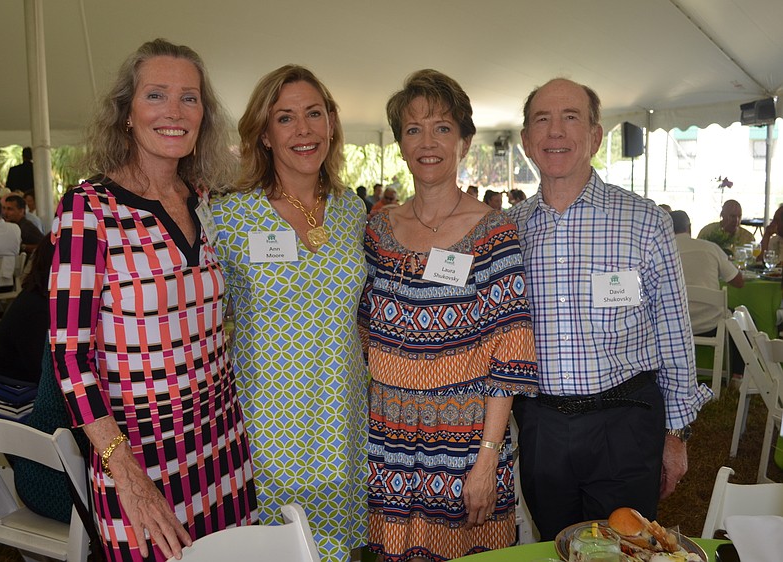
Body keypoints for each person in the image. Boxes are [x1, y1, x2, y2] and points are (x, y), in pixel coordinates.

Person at [49, 38, 257, 561]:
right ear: (126, 113)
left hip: (219, 440)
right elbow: (69, 358)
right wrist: (125, 472)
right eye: (156, 95)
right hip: (138, 452)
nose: (174, 112)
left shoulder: (206, 202)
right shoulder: (88, 209)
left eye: (189, 98)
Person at [507, 78, 713, 541]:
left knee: (625, 546)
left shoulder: (646, 221)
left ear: (596, 136)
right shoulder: (508, 230)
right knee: (556, 544)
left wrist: (675, 435)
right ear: (526, 141)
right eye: (542, 119)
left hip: (625, 422)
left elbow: (674, 333)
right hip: (542, 425)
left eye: (571, 117)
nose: (555, 131)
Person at [359, 69, 538, 561]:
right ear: (400, 144)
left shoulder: (492, 231)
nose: (428, 142)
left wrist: (485, 461)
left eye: (442, 127)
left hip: (464, 442)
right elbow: (362, 325)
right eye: (413, 129)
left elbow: (510, 353)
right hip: (389, 434)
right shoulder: (377, 230)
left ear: (464, 140)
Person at [212, 64, 367, 562]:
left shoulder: (352, 211)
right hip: (264, 424)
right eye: (285, 118)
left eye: (313, 114)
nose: (303, 130)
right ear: (263, 133)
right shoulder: (227, 215)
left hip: (342, 420)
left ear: (331, 124)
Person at [0, 235, 54, 421]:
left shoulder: (36, 297)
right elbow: (45, 375)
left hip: (14, 391)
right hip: (17, 406)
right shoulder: (38, 310)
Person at [670, 210, 743, 333]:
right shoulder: (710, 248)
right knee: (741, 317)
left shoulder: (659, 253)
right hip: (711, 323)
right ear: (689, 227)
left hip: (674, 325)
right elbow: (739, 282)